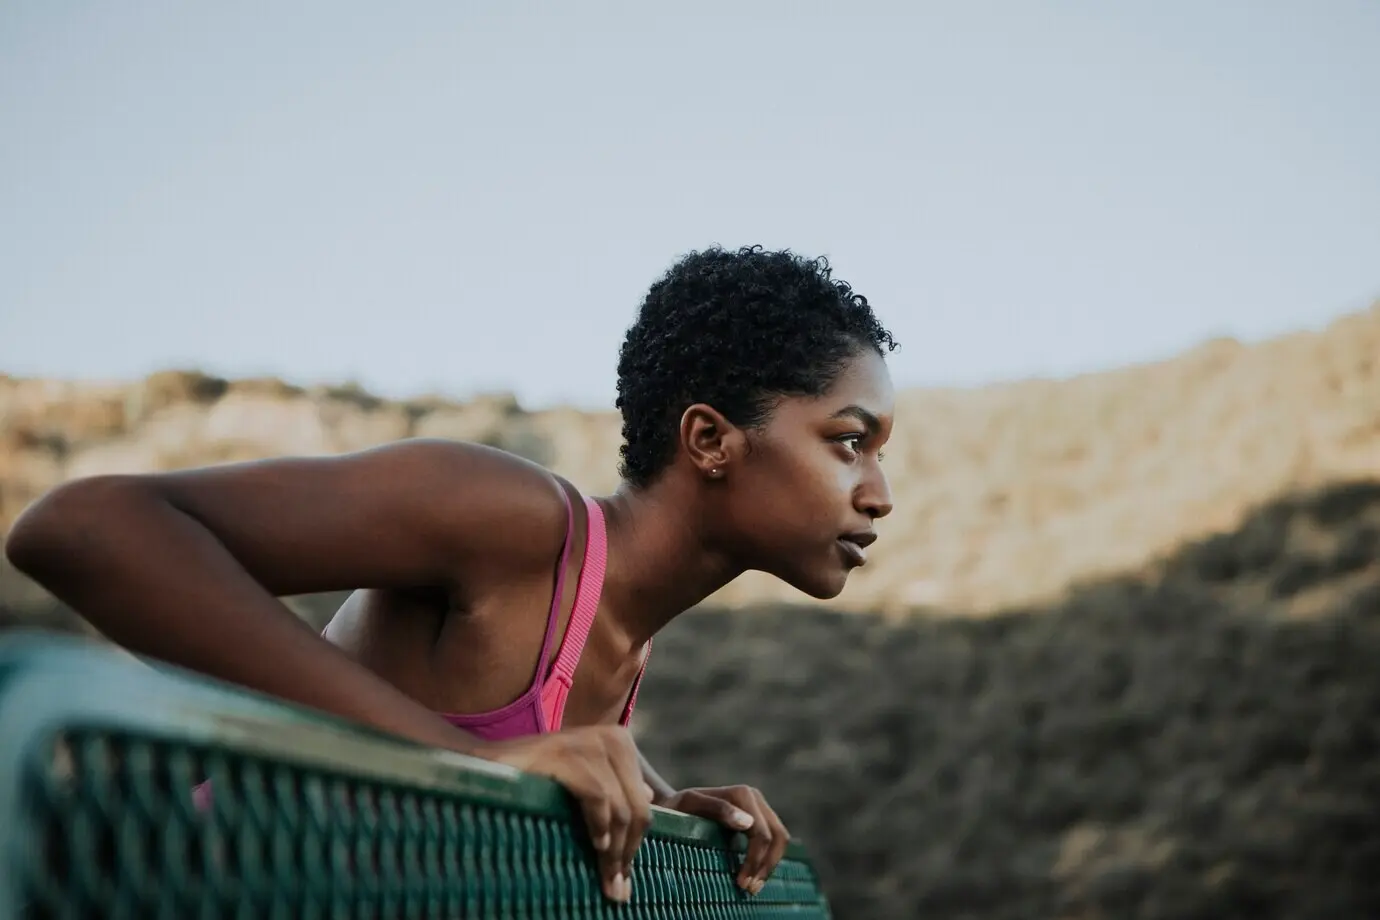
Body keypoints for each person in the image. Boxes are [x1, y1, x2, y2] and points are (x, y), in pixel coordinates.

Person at [5, 244, 897, 904]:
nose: (880, 494)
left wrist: (667, 810)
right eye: (850, 442)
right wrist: (474, 767)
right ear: (709, 440)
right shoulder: (511, 519)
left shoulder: (622, 638)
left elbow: (504, 750)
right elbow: (84, 529)